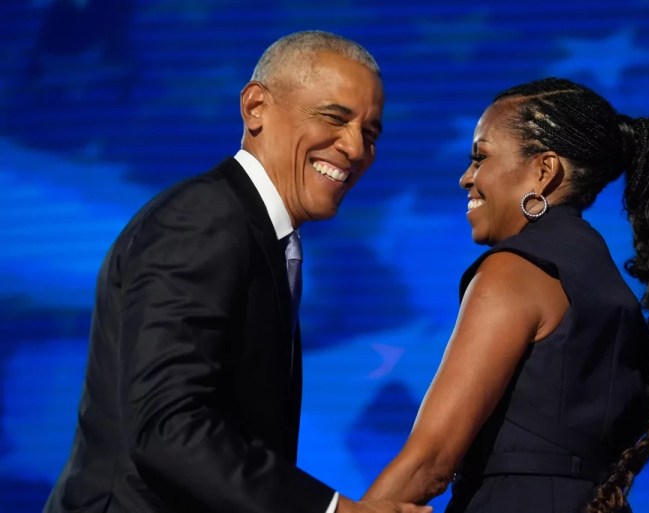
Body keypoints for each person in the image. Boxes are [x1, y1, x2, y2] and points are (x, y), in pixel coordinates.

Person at [44, 30, 431, 513]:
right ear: (255, 108)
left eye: (370, 133)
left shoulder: (256, 233)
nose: (355, 148)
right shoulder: (204, 219)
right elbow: (168, 426)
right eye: (335, 117)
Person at [362, 77, 649, 512]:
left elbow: (430, 462)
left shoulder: (514, 271)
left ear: (544, 171)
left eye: (480, 157)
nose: (466, 177)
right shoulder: (606, 284)